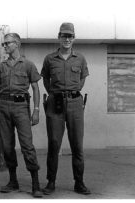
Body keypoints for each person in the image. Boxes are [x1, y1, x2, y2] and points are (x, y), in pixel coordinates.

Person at [40, 22, 91, 195]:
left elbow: (83, 78)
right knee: (54, 143)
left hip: (75, 103)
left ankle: (79, 182)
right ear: (59, 37)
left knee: (77, 144)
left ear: (74, 38)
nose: (67, 39)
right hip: (55, 103)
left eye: (70, 36)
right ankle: (51, 182)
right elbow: (46, 79)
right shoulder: (49, 59)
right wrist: (54, 94)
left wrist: (73, 92)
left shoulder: (80, 58)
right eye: (64, 36)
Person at [0, 33, 43, 198]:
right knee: (7, 146)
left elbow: (36, 88)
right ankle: (13, 181)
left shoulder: (28, 64)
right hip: (3, 107)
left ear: (17, 44)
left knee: (27, 145)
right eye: (4, 44)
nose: (5, 46)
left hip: (21, 106)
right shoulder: (1, 66)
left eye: (8, 43)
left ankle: (35, 184)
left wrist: (36, 110)